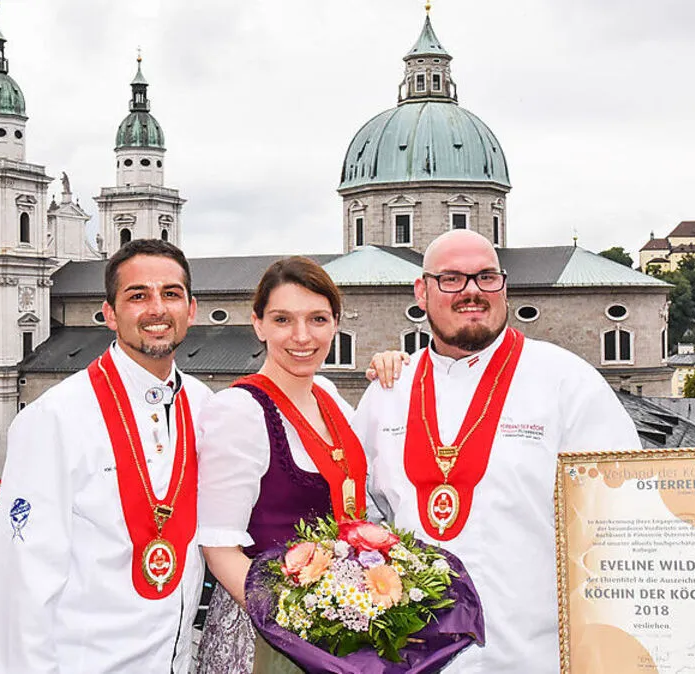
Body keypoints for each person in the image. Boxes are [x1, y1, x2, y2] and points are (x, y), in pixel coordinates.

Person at [355, 229, 642, 673]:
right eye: (451, 279)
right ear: (421, 291)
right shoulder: (388, 392)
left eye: (486, 277)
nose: (471, 291)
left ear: (504, 286)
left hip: (537, 657)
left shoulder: (568, 382)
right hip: (412, 661)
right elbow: (363, 519)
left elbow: (625, 521)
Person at [0, 239, 214, 673]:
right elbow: (21, 585)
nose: (157, 309)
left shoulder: (204, 408)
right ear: (109, 314)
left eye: (171, 294)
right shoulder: (55, 417)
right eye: (137, 295)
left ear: (191, 309)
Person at [195, 256, 369, 673]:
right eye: (282, 320)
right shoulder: (238, 411)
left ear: (336, 323)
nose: (302, 336)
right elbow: (219, 549)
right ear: (257, 324)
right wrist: (297, 620)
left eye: (318, 319)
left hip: (336, 622)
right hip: (266, 630)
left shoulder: (328, 396)